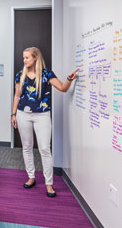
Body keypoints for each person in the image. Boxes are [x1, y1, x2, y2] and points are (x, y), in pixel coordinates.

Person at [11, 47, 78, 197]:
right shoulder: (19, 75)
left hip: (42, 115)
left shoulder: (47, 74)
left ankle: (49, 184)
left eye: (27, 57)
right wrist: (13, 114)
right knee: (27, 147)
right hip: (23, 114)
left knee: (44, 149)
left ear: (35, 58)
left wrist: (69, 79)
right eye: (24, 58)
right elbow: (17, 96)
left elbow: (62, 88)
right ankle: (31, 177)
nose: (24, 60)